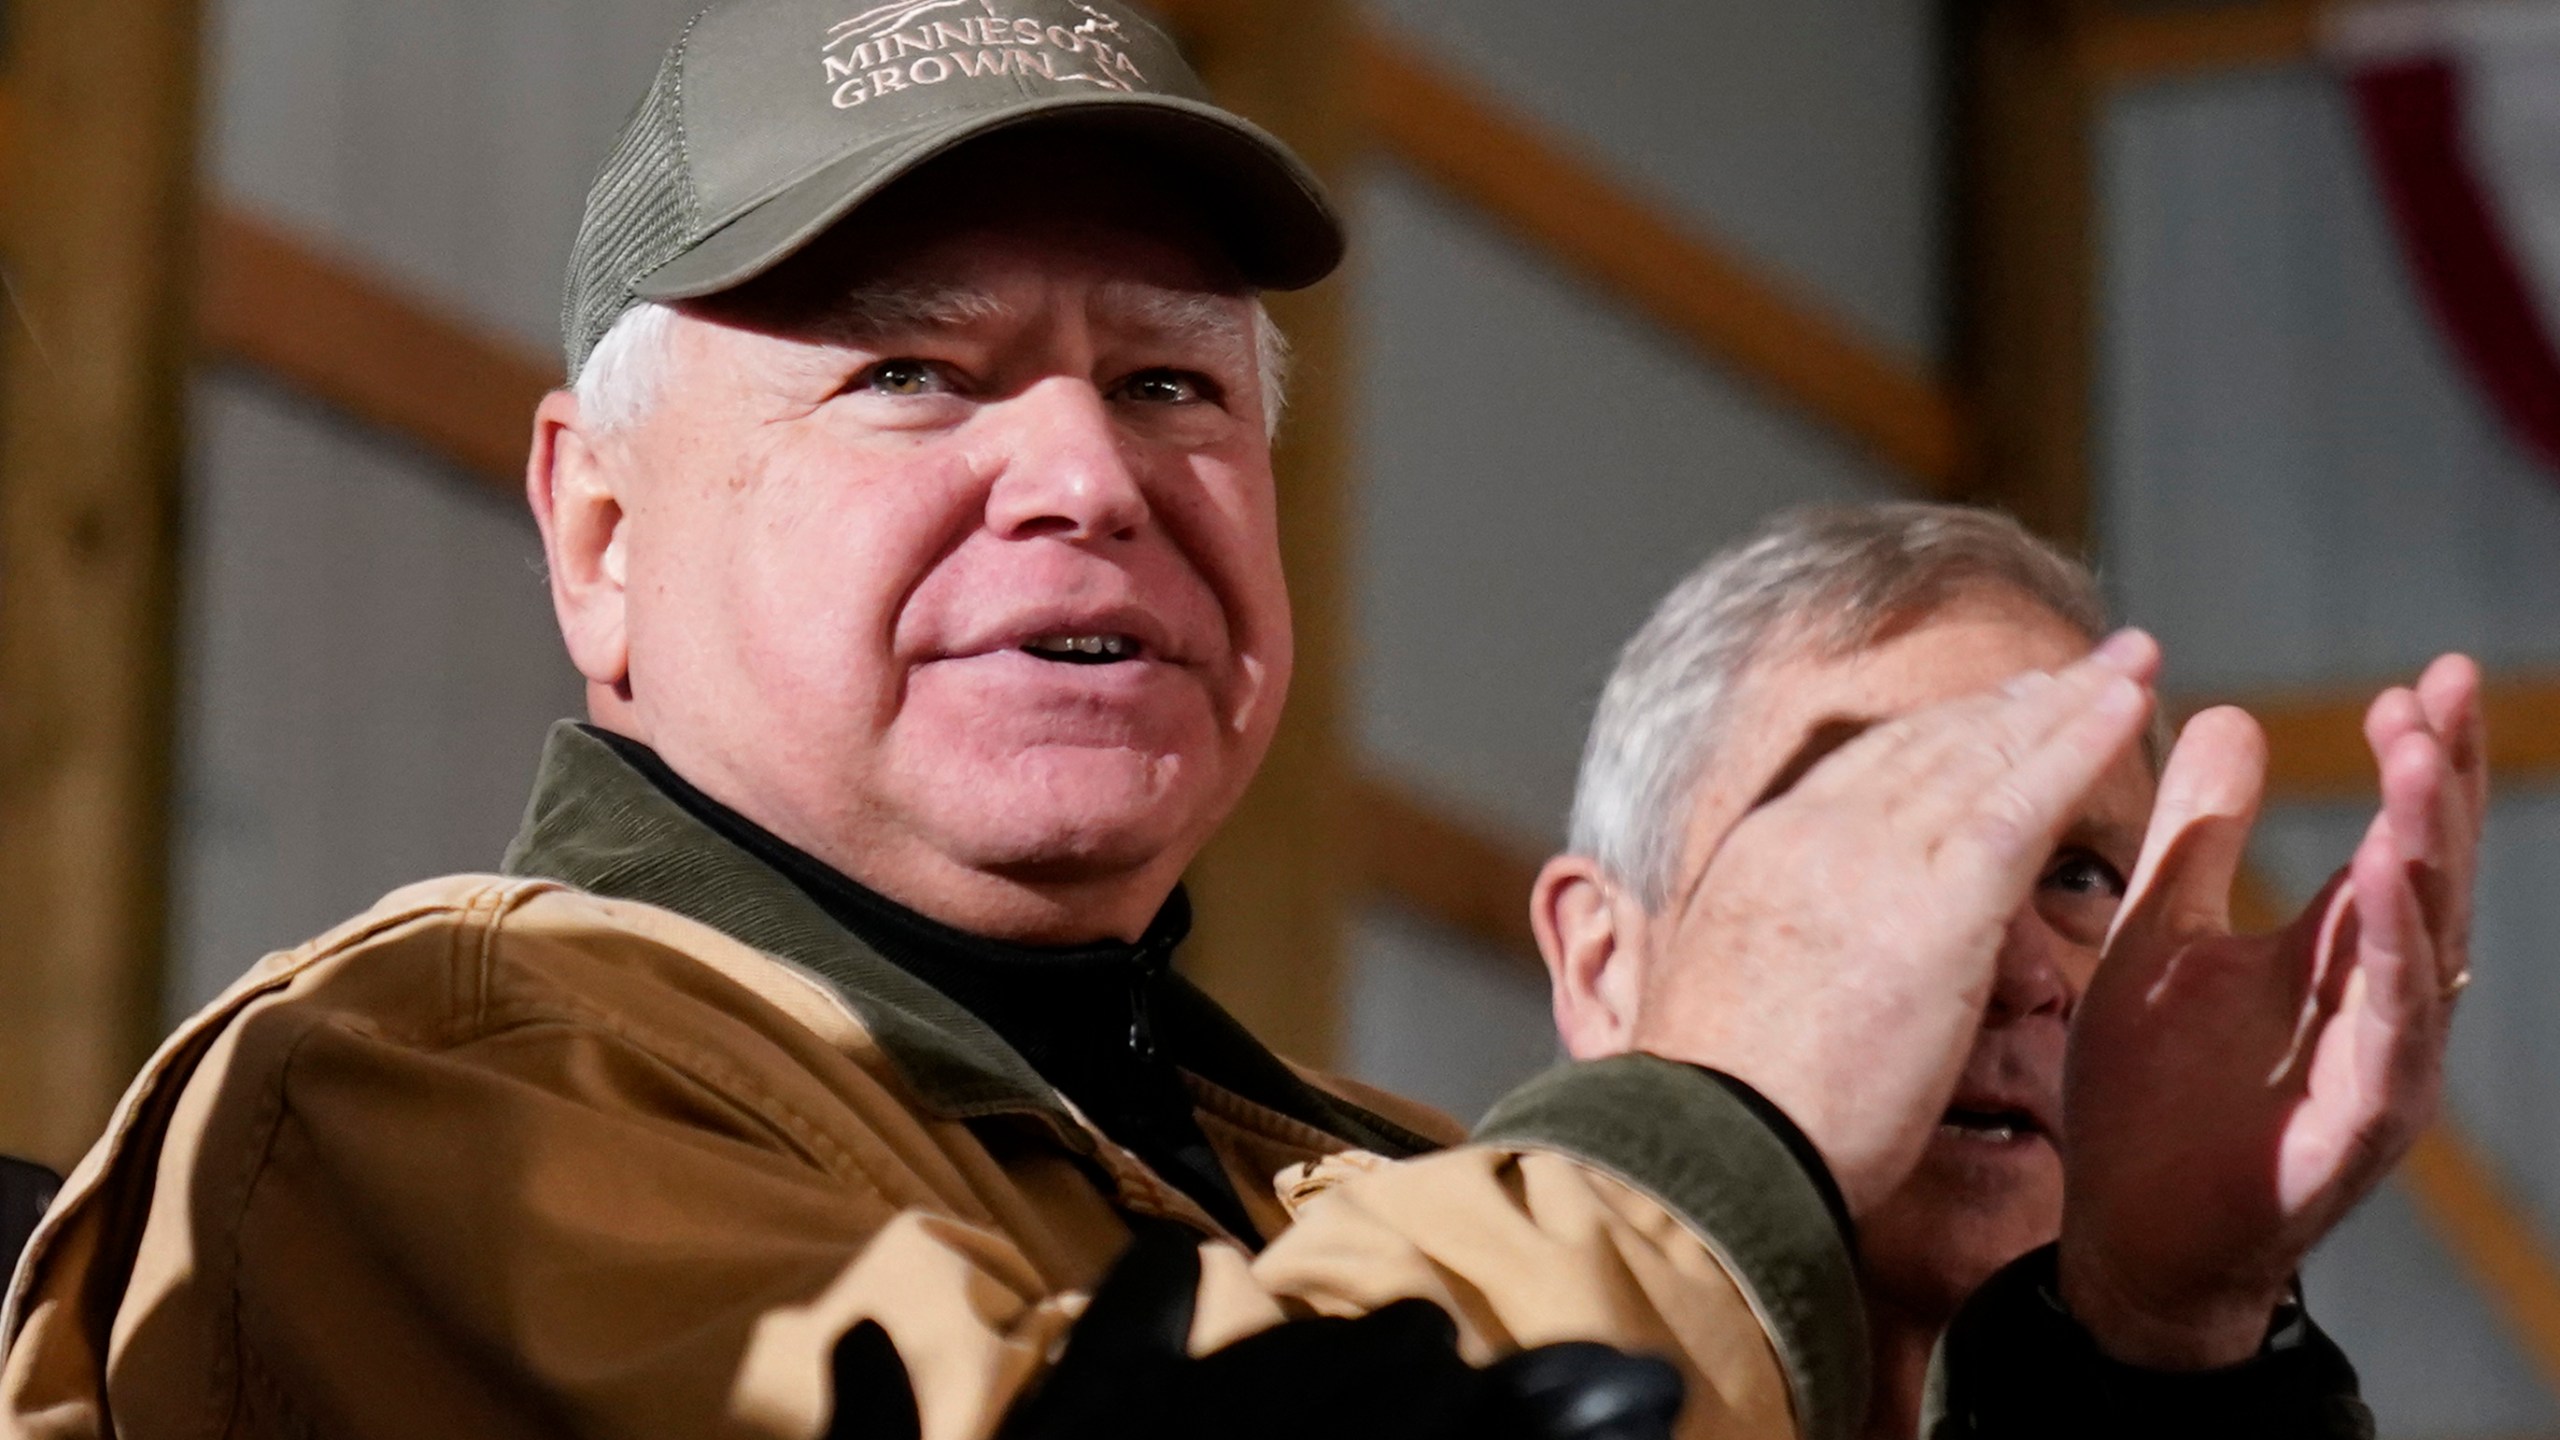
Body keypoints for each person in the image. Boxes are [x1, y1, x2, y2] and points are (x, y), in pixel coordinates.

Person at [0, 3, 2453, 1436]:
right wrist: (1718, 1121)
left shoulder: (1362, 1185)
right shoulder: (411, 1100)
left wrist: (2151, 1337)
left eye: (1172, 381)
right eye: (909, 369)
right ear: (602, 532)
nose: (1085, 472)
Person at [1535, 503, 2484, 1438]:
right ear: (1602, 964)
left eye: (2079, 877)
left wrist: (2182, 1359)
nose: (2022, 968)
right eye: (1897, 847)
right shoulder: (1393, 1307)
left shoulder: (2215, 1360)